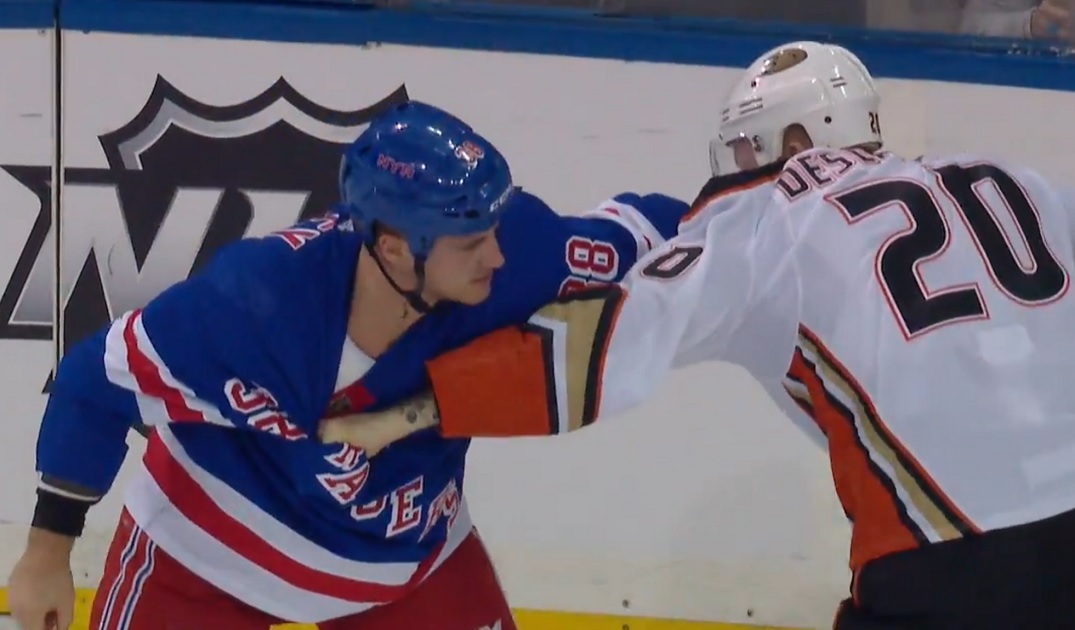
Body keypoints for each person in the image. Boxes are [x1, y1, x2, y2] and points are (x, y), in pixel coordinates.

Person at [336, 42, 1075, 629]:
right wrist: (1040, 326)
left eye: (747, 146)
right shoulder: (1003, 180)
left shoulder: (763, 219)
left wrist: (402, 413)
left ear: (791, 140)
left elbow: (590, 354)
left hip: (953, 560)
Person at [6, 94, 689, 630]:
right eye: (470, 243)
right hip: (208, 553)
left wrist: (756, 204)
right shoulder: (256, 302)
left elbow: (667, 232)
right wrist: (47, 554)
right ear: (394, 249)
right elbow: (94, 381)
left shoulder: (523, 254)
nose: (497, 255)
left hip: (400, 562)